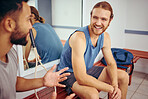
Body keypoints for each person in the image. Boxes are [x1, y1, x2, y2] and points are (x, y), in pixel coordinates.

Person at [0, 0, 75, 99]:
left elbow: (13, 82)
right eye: (27, 20)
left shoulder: (11, 53)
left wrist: (43, 81)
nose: (31, 26)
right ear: (10, 24)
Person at [57, 1, 129, 99]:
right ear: (91, 16)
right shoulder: (79, 38)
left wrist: (115, 85)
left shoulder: (105, 37)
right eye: (95, 17)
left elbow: (111, 63)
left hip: (87, 69)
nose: (98, 23)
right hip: (68, 74)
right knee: (93, 94)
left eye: (103, 19)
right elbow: (81, 78)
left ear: (110, 20)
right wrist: (111, 88)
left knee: (124, 76)